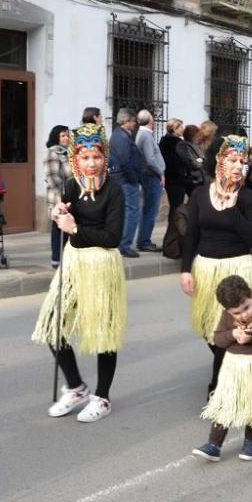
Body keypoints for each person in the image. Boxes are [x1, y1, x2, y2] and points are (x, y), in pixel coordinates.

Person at [31, 123, 126, 422]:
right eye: (84, 157)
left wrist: (76, 229)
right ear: (75, 159)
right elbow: (61, 214)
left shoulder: (114, 191)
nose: (91, 163)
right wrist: (58, 212)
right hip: (74, 265)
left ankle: (103, 397)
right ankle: (76, 387)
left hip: (103, 265)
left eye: (96, 156)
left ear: (104, 157)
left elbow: (112, 237)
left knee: (103, 335)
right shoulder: (71, 186)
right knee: (52, 327)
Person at [180, 135, 252, 397]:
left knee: (229, 326)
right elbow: (191, 234)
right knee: (208, 328)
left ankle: (218, 384)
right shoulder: (200, 194)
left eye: (242, 162)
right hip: (205, 269)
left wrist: (233, 208)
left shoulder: (247, 197)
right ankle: (229, 369)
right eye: (232, 160)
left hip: (236, 268)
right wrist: (185, 269)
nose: (238, 167)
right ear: (219, 161)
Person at [192, 275, 252, 462]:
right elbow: (218, 338)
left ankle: (251, 442)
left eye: (246, 308)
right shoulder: (226, 317)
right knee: (225, 403)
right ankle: (214, 445)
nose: (243, 315)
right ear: (227, 310)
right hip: (233, 366)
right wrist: (232, 334)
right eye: (236, 313)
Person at [107, 108, 142, 258]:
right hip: (126, 180)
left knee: (126, 211)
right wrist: (134, 179)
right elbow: (125, 161)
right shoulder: (121, 137)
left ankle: (122, 243)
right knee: (132, 212)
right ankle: (124, 244)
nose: (135, 124)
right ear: (127, 121)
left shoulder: (119, 134)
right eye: (133, 121)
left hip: (122, 178)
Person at [134, 109, 165, 253]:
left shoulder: (143, 134)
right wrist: (161, 173)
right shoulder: (145, 135)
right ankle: (144, 241)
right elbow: (150, 159)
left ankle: (144, 240)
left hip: (150, 175)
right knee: (151, 210)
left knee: (149, 209)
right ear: (150, 120)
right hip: (151, 176)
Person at [44, 125, 73, 268]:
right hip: (58, 197)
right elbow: (52, 177)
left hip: (70, 196)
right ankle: (56, 259)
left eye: (67, 135)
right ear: (56, 137)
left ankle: (67, 258)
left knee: (68, 229)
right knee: (58, 228)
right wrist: (62, 197)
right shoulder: (53, 153)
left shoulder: (68, 153)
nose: (66, 138)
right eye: (63, 135)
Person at [159, 118, 188, 220]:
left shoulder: (163, 141)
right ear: (174, 129)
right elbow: (186, 160)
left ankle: (172, 230)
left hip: (168, 177)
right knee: (177, 206)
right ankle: (173, 231)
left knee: (173, 205)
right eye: (180, 127)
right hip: (177, 178)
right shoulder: (178, 143)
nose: (183, 129)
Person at [177, 123, 206, 198]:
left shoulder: (196, 145)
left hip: (201, 180)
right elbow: (192, 163)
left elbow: (203, 159)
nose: (198, 138)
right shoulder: (183, 145)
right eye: (197, 135)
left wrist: (201, 160)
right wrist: (201, 161)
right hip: (192, 180)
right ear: (191, 135)